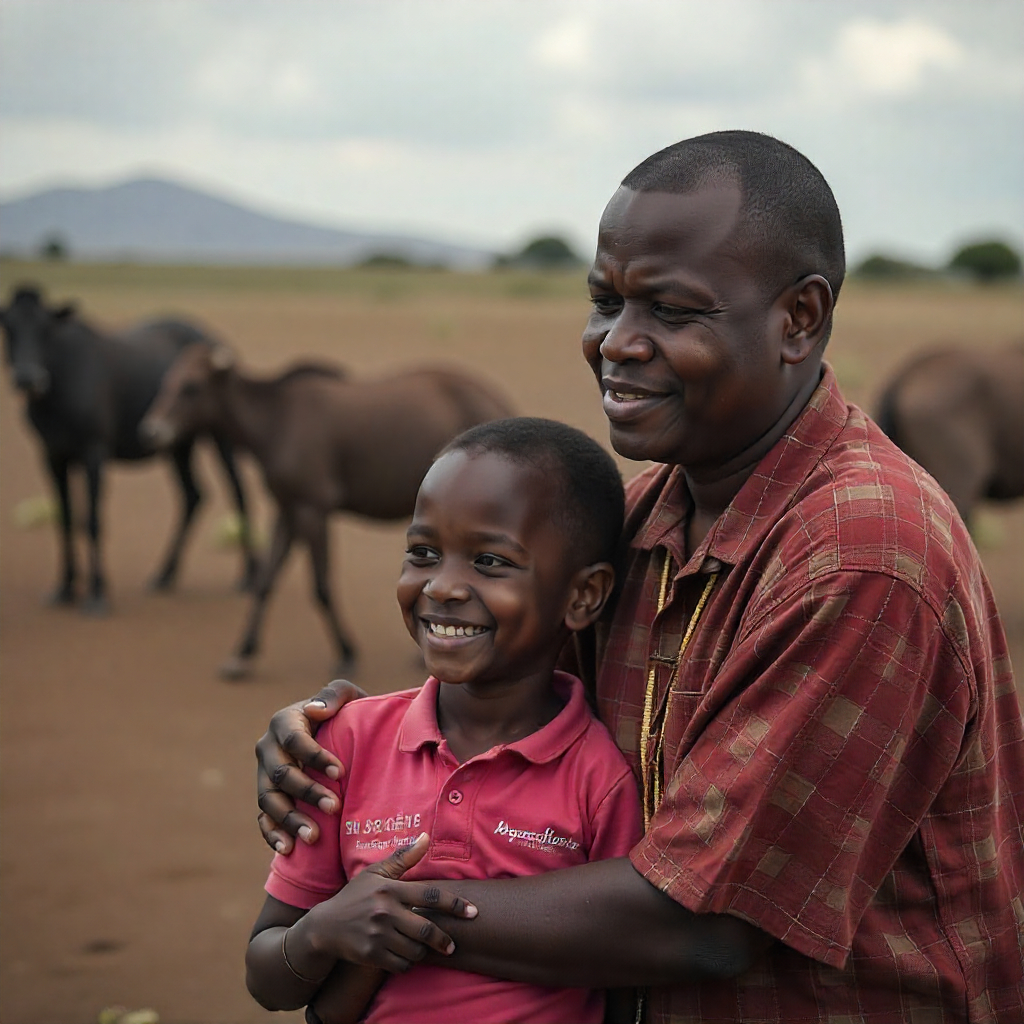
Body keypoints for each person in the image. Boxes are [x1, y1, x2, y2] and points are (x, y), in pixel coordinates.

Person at [253, 131, 1024, 1023]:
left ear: (799, 320)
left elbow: (702, 921)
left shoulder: (863, 557)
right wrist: (339, 743)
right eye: (605, 301)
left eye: (671, 309)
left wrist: (375, 912)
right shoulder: (646, 509)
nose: (616, 344)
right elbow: (514, 710)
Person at [245, 417, 644, 1024]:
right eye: (423, 553)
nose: (443, 586)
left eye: (489, 561)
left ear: (582, 596)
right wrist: (324, 930)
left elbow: (619, 970)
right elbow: (269, 979)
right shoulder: (346, 744)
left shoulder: (600, 776)